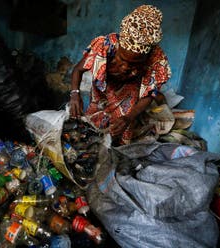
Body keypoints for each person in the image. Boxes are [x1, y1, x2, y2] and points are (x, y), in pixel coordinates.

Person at [69, 4, 172, 145]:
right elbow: (78, 70)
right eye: (122, 59)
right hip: (103, 90)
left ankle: (118, 154)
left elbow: (150, 93)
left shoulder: (155, 58)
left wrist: (128, 118)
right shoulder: (106, 45)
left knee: (123, 128)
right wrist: (75, 94)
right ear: (118, 47)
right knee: (93, 125)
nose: (125, 67)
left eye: (134, 64)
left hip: (130, 93)